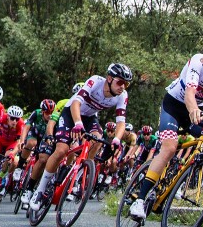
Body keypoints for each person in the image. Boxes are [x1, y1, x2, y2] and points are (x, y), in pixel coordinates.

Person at [120, 39, 203, 222]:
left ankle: (183, 175)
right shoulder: (200, 62)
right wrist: (194, 109)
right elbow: (189, 94)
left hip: (194, 112)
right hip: (174, 106)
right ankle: (139, 200)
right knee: (170, 148)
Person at [24, 63, 131, 214]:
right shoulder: (95, 81)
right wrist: (78, 123)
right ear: (109, 78)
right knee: (62, 150)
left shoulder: (122, 95)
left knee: (98, 138)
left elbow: (121, 122)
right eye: (120, 82)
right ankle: (39, 191)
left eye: (126, 83)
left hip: (90, 117)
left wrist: (117, 139)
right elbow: (76, 102)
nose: (123, 87)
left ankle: (82, 169)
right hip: (71, 113)